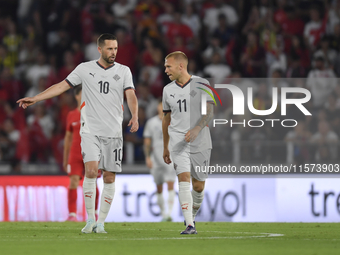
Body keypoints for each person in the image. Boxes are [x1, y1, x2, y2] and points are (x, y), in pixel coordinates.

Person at [17, 33, 139, 234]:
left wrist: (134, 115)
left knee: (109, 177)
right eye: (109, 49)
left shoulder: (124, 71)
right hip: (90, 130)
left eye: (115, 49)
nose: (113, 52)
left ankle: (101, 222)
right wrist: (36, 98)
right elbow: (61, 86)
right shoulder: (84, 69)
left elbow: (131, 94)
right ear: (99, 49)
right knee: (90, 172)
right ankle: (90, 219)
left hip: (114, 132)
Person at [162, 51, 214, 234]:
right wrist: (165, 146)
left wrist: (197, 129)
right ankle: (190, 225)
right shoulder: (167, 90)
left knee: (198, 186)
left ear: (180, 66)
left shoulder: (203, 84)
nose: (165, 69)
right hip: (178, 141)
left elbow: (210, 111)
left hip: (201, 141)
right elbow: (166, 120)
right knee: (183, 178)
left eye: (168, 66)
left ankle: (190, 216)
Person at [63, 85, 101, 222]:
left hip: (91, 153)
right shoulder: (71, 115)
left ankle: (94, 214)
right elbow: (67, 138)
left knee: (92, 182)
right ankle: (72, 215)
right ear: (77, 96)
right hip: (75, 153)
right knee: (73, 182)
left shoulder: (96, 113)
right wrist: (65, 158)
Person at [143, 100, 176, 222]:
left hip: (171, 158)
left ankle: (169, 213)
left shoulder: (175, 122)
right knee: (159, 187)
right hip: (156, 159)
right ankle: (163, 214)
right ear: (158, 107)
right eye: (161, 105)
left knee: (171, 184)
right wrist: (147, 157)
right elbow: (147, 142)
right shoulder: (151, 123)